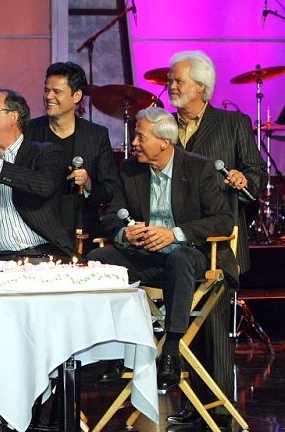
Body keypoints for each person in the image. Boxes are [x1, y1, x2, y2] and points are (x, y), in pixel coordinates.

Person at [86, 107, 236, 391]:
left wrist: (174, 234)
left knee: (179, 258)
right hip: (143, 255)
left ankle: (171, 349)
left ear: (164, 141)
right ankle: (114, 349)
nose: (133, 143)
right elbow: (109, 217)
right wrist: (124, 234)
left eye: (140, 137)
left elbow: (224, 220)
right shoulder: (131, 169)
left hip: (189, 255)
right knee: (98, 259)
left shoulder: (198, 168)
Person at [165, 50, 268, 427]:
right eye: (171, 80)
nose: (171, 86)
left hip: (218, 244)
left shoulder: (232, 124)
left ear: (202, 87)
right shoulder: (165, 125)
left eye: (179, 81)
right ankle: (192, 405)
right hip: (175, 240)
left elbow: (258, 173)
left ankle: (221, 408)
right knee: (182, 326)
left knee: (214, 328)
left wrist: (246, 180)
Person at [0, 89, 77, 265]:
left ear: (13, 117)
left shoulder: (46, 152)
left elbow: (43, 186)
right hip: (0, 261)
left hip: (45, 256)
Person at [23, 62, 119, 247]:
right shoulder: (29, 131)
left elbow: (111, 189)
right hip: (37, 232)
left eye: (56, 92)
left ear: (76, 96)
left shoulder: (96, 135)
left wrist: (89, 183)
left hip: (81, 231)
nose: (48, 97)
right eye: (46, 90)